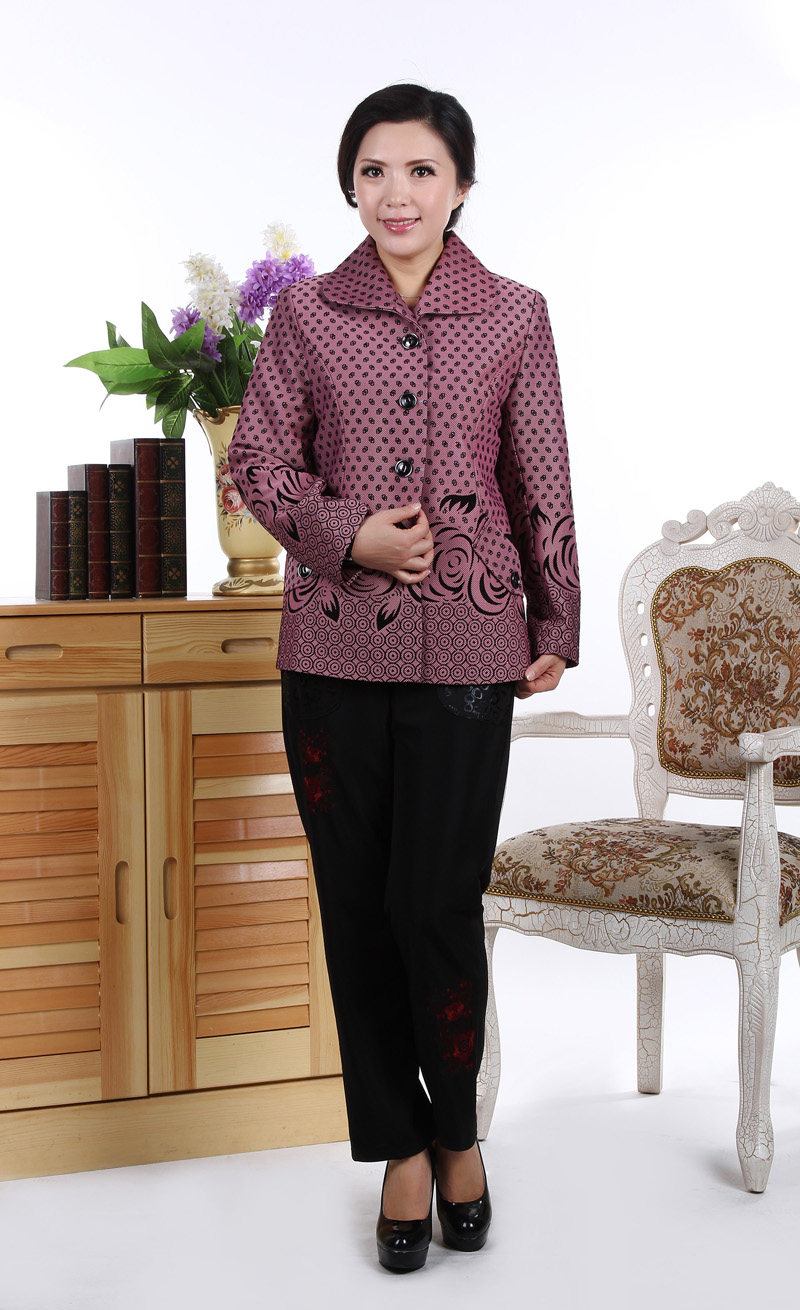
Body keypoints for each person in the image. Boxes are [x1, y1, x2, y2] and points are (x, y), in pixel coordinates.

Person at [227, 82, 580, 1273]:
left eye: (421, 170)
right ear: (350, 185)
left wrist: (555, 615)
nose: (396, 193)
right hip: (329, 651)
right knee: (355, 906)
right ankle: (399, 1148)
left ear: (461, 186)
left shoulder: (515, 314)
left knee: (435, 902)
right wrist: (351, 536)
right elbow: (257, 461)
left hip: (471, 647)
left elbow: (540, 474)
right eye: (374, 170)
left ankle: (457, 1129)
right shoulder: (306, 316)